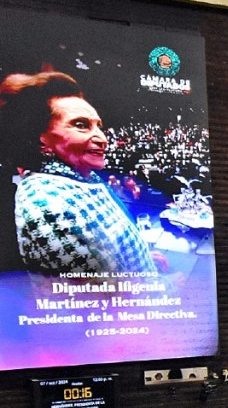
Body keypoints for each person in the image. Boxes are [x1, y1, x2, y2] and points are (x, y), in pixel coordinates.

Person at [0, 69, 158, 274]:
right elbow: (104, 296)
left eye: (98, 126)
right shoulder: (45, 204)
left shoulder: (81, 176)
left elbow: (106, 252)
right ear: (41, 138)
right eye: (81, 125)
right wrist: (170, 286)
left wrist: (142, 255)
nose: (102, 138)